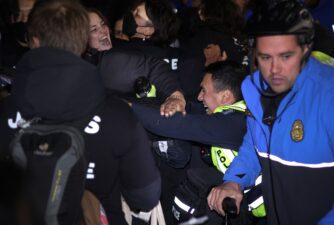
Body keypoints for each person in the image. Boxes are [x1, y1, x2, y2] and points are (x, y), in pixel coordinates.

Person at [207, 1, 334, 225]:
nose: (274, 69)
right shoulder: (255, 88)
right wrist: (235, 180)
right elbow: (255, 141)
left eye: (286, 55)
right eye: (265, 56)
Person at [0, 1, 161, 225]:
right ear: (83, 42)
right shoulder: (117, 114)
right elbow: (146, 196)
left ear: (33, 41)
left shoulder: (5, 111)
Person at [131, 61, 250, 224]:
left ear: (225, 97)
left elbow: (177, 125)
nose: (200, 96)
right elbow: (189, 106)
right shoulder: (227, 114)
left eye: (204, 91)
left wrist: (127, 108)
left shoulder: (240, 123)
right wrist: (175, 98)